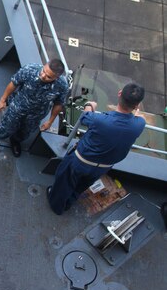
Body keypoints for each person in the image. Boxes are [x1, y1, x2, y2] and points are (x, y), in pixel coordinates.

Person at [48, 83, 146, 215]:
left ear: (119, 94)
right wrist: (136, 111)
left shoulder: (100, 120)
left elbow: (84, 117)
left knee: (64, 182)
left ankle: (57, 206)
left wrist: (89, 105)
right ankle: (68, 203)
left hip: (80, 162)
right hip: (103, 167)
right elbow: (141, 118)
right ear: (137, 105)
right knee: (81, 186)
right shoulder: (139, 125)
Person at [0, 59, 69, 158]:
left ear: (57, 77)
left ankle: (15, 141)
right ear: (44, 65)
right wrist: (3, 100)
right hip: (18, 106)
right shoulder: (29, 70)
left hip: (36, 114)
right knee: (7, 125)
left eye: (48, 77)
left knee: (25, 131)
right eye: (43, 71)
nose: (43, 76)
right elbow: (14, 83)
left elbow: (58, 104)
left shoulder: (62, 86)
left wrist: (50, 121)